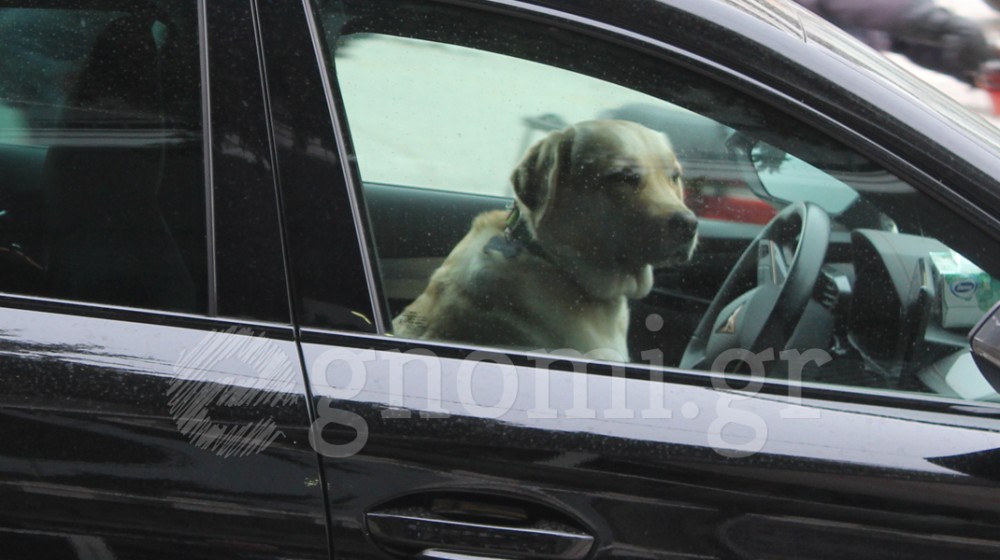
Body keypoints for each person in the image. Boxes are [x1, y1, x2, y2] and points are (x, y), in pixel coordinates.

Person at [794, 0, 996, 85]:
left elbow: (895, 38)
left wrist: (970, 66)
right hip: (808, 73)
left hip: (840, 72)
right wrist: (941, 23)